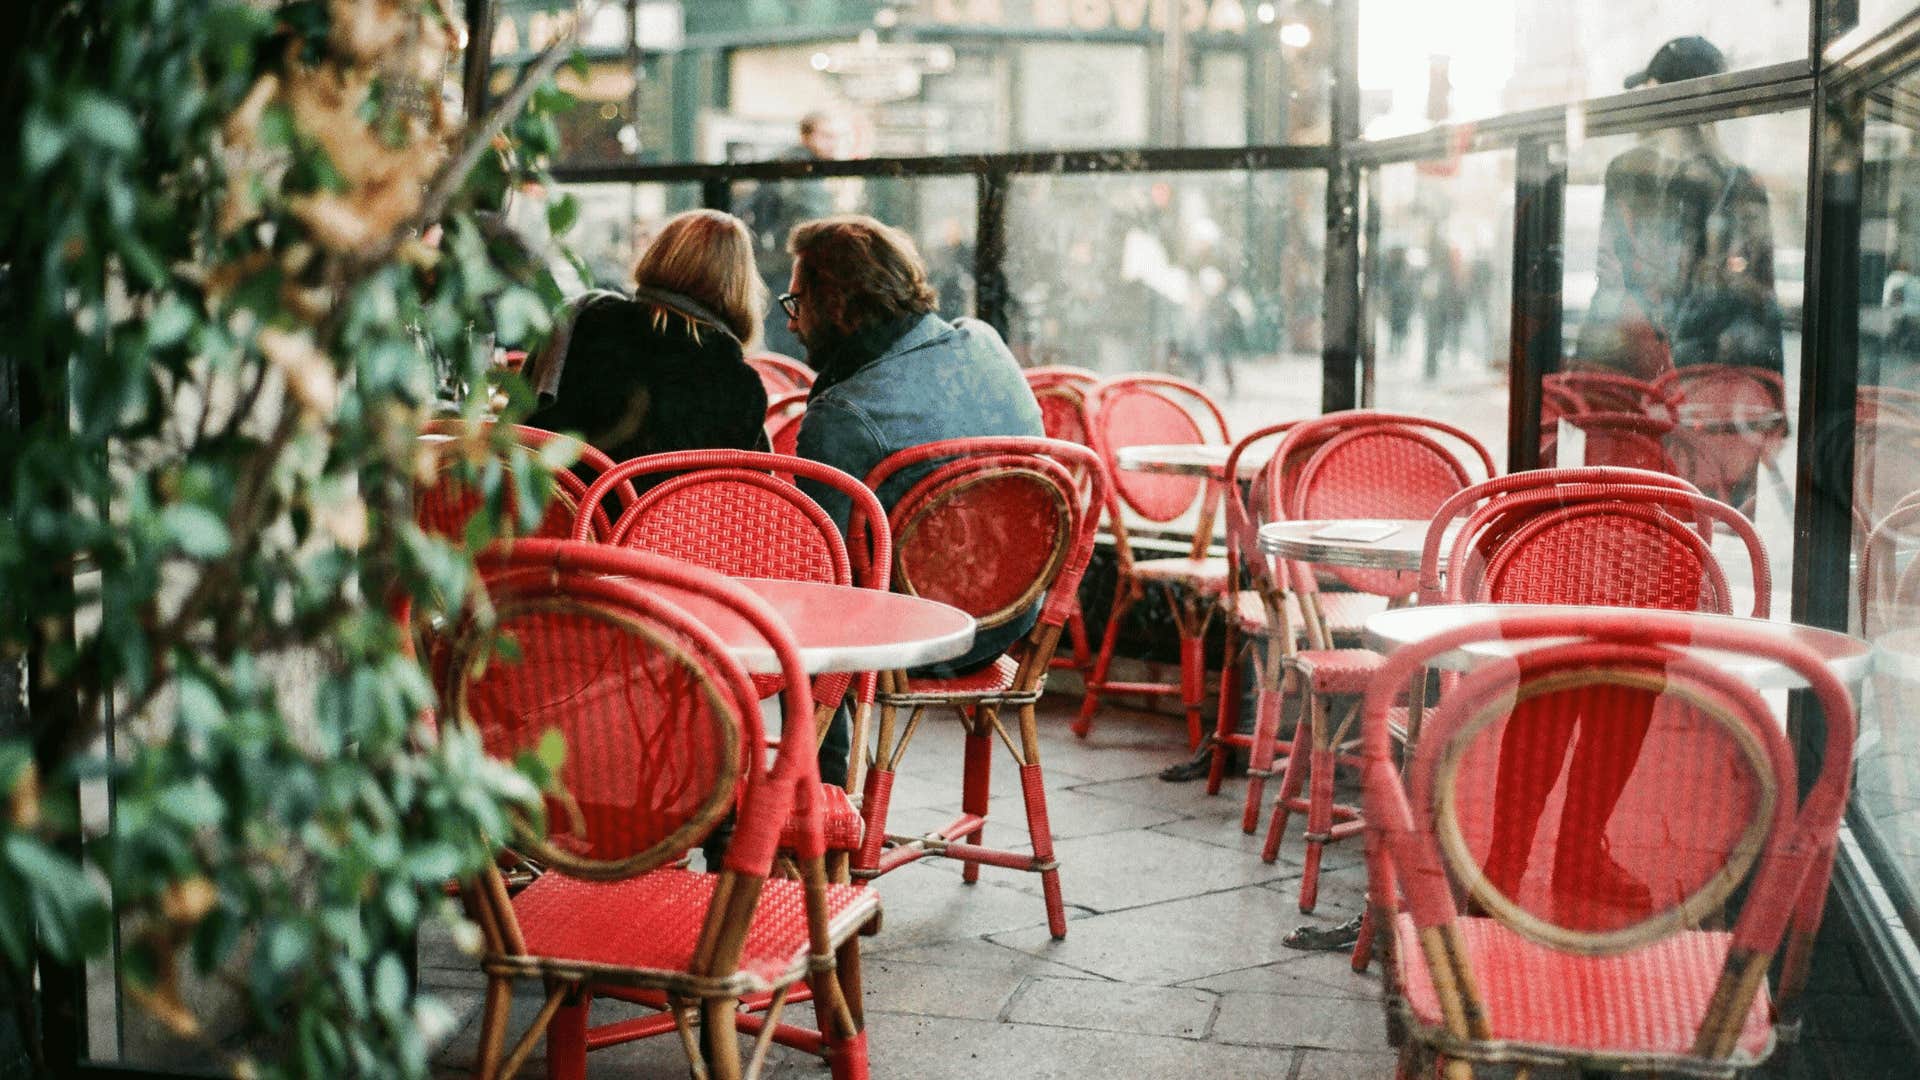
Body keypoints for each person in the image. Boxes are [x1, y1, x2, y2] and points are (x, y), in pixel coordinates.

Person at [782, 215, 1045, 783]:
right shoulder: (985, 342)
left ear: (840, 306)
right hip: (1016, 615)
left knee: (798, 617)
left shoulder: (845, 413)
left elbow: (814, 567)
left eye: (798, 302)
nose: (794, 323)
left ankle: (813, 808)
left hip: (923, 636)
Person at [1574, 35, 1785, 380]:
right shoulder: (1743, 184)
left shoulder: (1627, 172)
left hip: (1635, 370)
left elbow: (1611, 275)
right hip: (1709, 375)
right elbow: (1762, 303)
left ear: (1660, 93)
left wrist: (1586, 370)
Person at [524, 209, 769, 492]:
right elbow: (744, 499)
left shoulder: (583, 321)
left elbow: (517, 429)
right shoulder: (740, 385)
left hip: (560, 523)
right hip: (665, 535)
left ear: (660, 253)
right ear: (739, 285)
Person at [741, 111, 850, 355]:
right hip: (789, 264)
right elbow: (811, 220)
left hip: (780, 263)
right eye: (826, 136)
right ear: (805, 136)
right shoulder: (802, 171)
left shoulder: (797, 167)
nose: (832, 144)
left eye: (836, 137)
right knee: (792, 333)